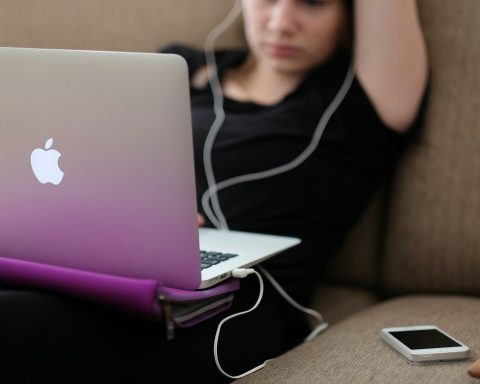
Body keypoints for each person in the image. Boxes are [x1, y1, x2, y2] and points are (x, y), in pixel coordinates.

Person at [0, 0, 429, 383]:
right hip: (116, 262)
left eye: (312, 3)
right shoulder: (176, 69)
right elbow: (85, 162)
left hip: (239, 301)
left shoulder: (360, 102)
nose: (281, 22)